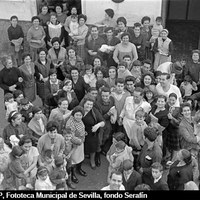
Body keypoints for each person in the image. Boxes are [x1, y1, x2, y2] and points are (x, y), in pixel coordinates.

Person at [82, 97, 105, 169]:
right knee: (80, 147)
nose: (89, 106)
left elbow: (103, 122)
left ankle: (92, 161)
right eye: (87, 104)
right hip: (80, 132)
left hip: (91, 133)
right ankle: (80, 160)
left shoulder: (94, 111)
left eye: (91, 105)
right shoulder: (79, 110)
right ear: (84, 103)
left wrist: (98, 125)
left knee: (92, 148)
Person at [65, 106, 87, 184]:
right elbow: (70, 135)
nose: (78, 117)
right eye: (77, 115)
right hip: (73, 144)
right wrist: (79, 141)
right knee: (73, 160)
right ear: (73, 114)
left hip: (81, 141)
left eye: (80, 115)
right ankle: (73, 174)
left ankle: (79, 169)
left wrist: (83, 134)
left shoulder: (80, 121)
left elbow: (82, 130)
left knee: (80, 157)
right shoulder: (70, 123)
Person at [179, 102, 200, 174]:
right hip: (189, 148)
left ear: (191, 111)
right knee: (192, 166)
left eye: (188, 110)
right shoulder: (182, 125)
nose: (187, 112)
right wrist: (198, 138)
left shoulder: (194, 119)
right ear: (182, 112)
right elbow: (188, 138)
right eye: (184, 111)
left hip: (196, 146)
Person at [165, 93, 181, 162]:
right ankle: (167, 159)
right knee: (167, 146)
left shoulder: (178, 109)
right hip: (167, 130)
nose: (171, 101)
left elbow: (179, 122)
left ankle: (173, 161)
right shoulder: (165, 107)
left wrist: (172, 118)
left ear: (176, 100)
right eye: (170, 99)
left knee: (175, 148)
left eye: (173, 100)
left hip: (175, 131)